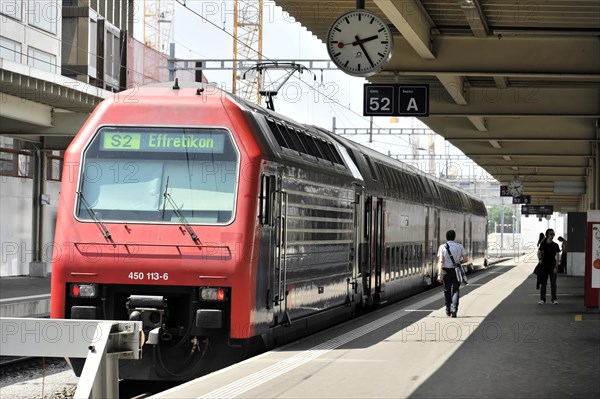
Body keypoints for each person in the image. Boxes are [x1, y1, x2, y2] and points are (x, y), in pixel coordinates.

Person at [436, 230, 468, 318]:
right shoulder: (459, 246)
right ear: (454, 237)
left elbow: (441, 261)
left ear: (446, 237)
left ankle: (448, 309)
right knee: (456, 289)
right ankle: (454, 309)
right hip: (456, 270)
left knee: (447, 290)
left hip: (446, 271)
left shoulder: (442, 247)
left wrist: (439, 274)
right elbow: (466, 259)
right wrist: (458, 262)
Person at [537, 229, 561, 304]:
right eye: (551, 234)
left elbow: (557, 256)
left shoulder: (555, 245)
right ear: (547, 235)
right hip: (544, 266)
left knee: (553, 283)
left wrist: (556, 267)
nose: (552, 235)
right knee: (543, 283)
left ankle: (554, 299)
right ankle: (542, 299)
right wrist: (540, 259)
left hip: (552, 266)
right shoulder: (543, 244)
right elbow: (539, 252)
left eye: (553, 234)